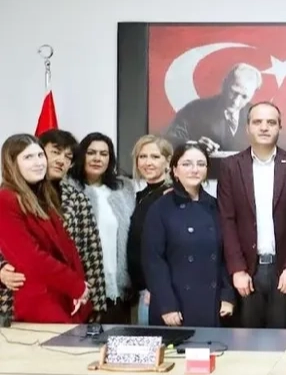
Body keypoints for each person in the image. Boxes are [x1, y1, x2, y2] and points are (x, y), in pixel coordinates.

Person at [218, 102, 286, 328]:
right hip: (248, 272)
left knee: (284, 340)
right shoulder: (231, 167)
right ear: (247, 127)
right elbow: (227, 221)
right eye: (257, 122)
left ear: (280, 127)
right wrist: (237, 270)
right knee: (247, 342)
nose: (264, 127)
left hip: (284, 272)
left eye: (271, 122)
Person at [0, 129, 107, 320]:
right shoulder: (7, 198)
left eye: (39, 155)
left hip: (65, 297)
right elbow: (29, 256)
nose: (38, 162)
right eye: (29, 157)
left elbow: (85, 252)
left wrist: (86, 294)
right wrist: (74, 285)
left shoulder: (45, 195)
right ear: (12, 163)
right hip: (33, 299)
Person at [142, 142, 235, 327]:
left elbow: (226, 256)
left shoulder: (216, 206)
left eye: (201, 164)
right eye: (187, 164)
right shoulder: (160, 208)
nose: (194, 169)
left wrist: (227, 295)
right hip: (175, 307)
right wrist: (167, 305)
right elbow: (154, 262)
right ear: (175, 170)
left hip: (212, 304)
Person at [68, 132, 136, 324]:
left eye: (104, 154)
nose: (97, 158)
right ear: (81, 155)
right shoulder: (67, 189)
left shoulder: (124, 189)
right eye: (91, 153)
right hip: (81, 288)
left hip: (118, 289)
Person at [127, 135, 173, 325]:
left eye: (155, 157)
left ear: (168, 161)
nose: (148, 162)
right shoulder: (140, 196)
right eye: (143, 156)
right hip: (138, 290)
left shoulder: (171, 195)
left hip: (155, 291)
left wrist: (157, 287)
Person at [165, 63, 262, 152]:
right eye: (233, 92)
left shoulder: (258, 116)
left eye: (244, 97)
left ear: (253, 94)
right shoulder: (194, 110)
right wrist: (194, 145)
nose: (236, 102)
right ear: (224, 84)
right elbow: (169, 140)